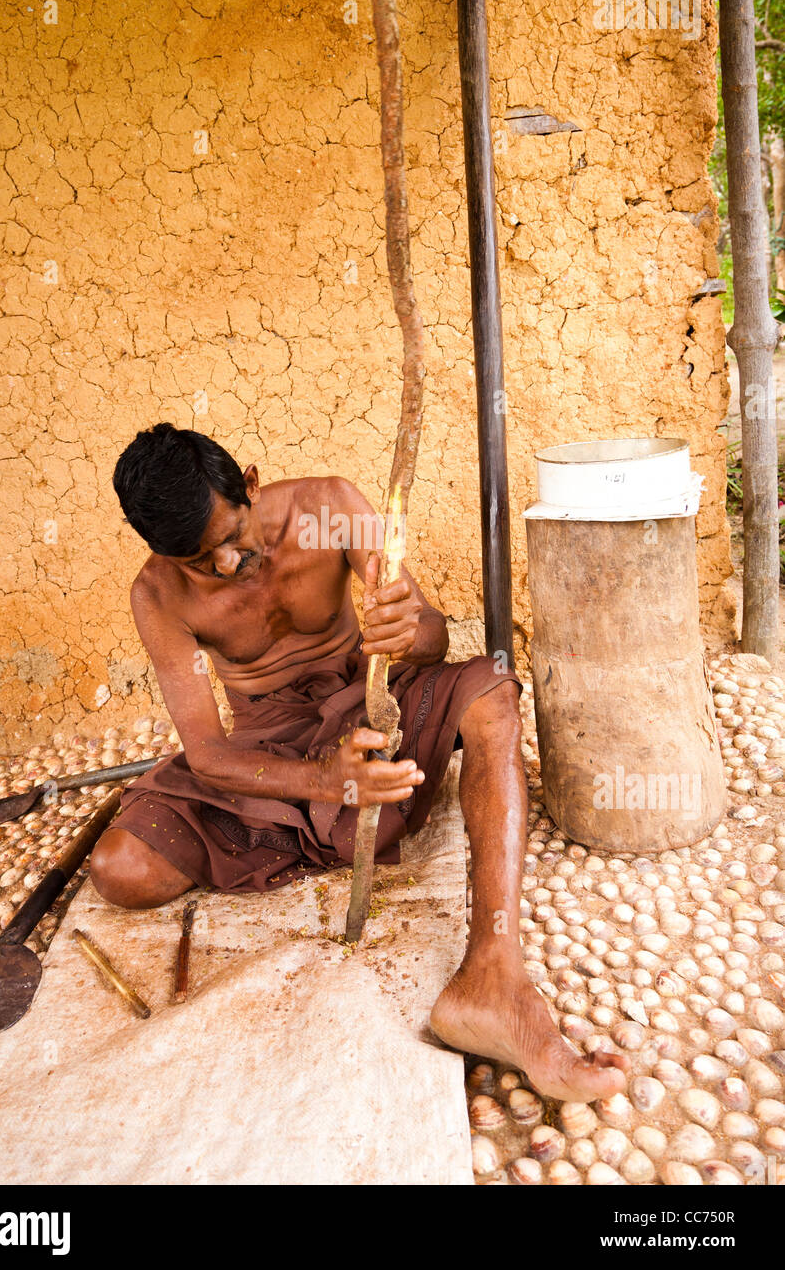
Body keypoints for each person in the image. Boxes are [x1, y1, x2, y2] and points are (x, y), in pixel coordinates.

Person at [91, 423, 628, 1102]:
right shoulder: (158, 594)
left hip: (369, 704)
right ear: (163, 554)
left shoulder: (329, 507)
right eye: (201, 561)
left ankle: (494, 975)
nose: (225, 566)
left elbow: (430, 639)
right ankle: (324, 815)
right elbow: (207, 752)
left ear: (250, 484)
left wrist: (411, 628)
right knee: (120, 870)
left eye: (231, 539)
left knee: (491, 694)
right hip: (273, 748)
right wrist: (324, 779)